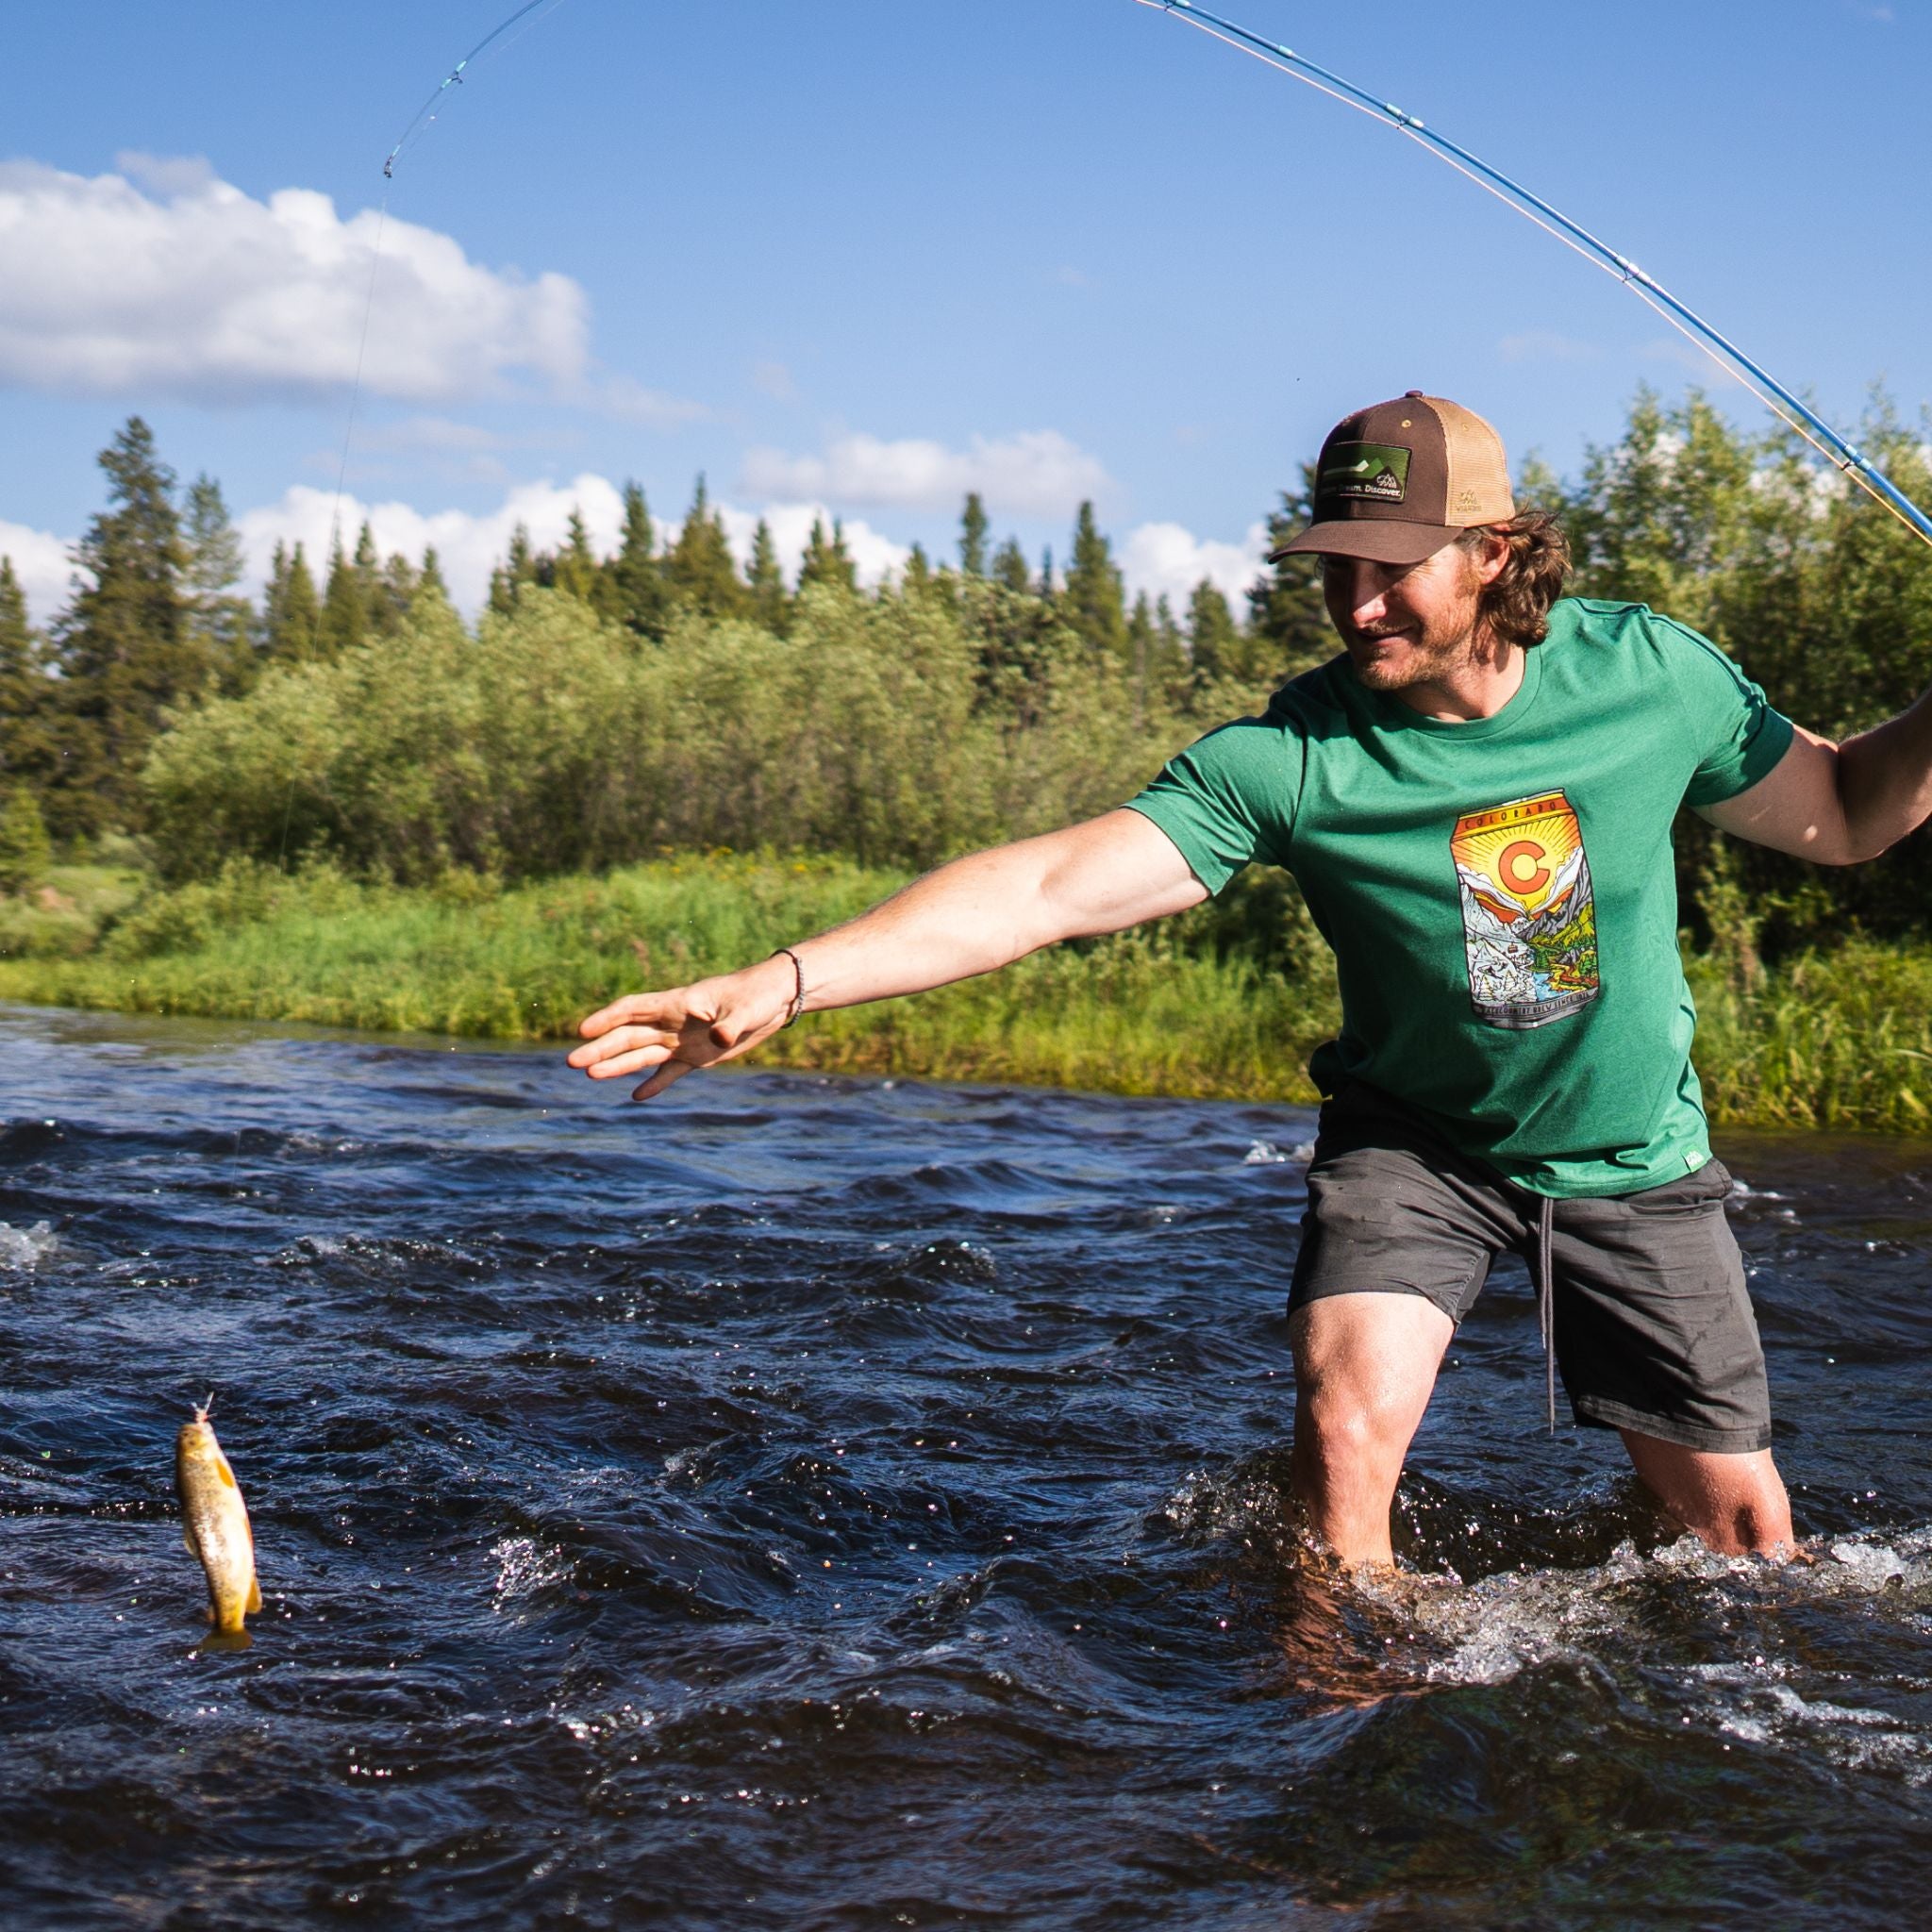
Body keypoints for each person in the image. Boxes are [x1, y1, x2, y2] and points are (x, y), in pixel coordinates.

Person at [570, 392, 1932, 1570]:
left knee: (1742, 1548)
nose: (1357, 604)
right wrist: (790, 977)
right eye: (1335, 566)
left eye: (1394, 569)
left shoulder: (1653, 678)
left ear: (1497, 553)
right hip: (1418, 1146)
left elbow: (1855, 814)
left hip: (1630, 1151)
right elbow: (1047, 890)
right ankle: (1355, 1740)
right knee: (1347, 1438)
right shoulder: (1292, 755)